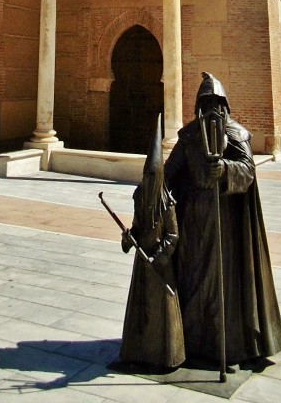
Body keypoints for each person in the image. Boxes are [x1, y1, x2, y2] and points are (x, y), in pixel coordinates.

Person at [164, 73, 281, 368]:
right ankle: (193, 339)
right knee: (193, 277)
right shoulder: (189, 136)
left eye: (216, 103)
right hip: (194, 218)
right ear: (198, 106)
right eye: (206, 103)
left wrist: (226, 169)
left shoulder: (236, 134)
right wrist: (152, 189)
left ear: (225, 105)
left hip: (226, 221)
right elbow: (170, 172)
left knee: (224, 283)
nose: (212, 109)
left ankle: (226, 343)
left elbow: (247, 168)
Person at [118, 115, 185, 371]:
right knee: (141, 308)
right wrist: (128, 239)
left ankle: (167, 356)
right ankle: (138, 352)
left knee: (162, 311)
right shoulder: (140, 197)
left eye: (152, 174)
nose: (148, 178)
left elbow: (173, 235)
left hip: (159, 264)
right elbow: (136, 227)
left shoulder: (167, 203)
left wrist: (158, 257)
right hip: (142, 263)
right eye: (146, 174)